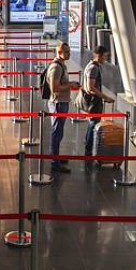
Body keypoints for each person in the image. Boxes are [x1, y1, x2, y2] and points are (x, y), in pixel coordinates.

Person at [46, 42, 82, 174]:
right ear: (59, 53)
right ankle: (54, 162)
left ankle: (56, 156)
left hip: (62, 102)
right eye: (66, 52)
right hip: (58, 103)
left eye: (69, 51)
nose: (69, 54)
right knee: (56, 132)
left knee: (59, 132)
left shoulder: (62, 65)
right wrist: (70, 85)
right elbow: (54, 88)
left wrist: (70, 84)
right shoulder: (56, 67)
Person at [81, 46, 115, 167]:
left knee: (92, 123)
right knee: (93, 124)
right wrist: (105, 97)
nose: (105, 59)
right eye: (104, 56)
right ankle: (88, 150)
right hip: (94, 102)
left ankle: (88, 147)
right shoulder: (94, 68)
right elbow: (91, 88)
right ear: (99, 55)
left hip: (92, 101)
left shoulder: (91, 66)